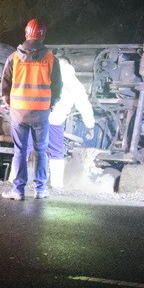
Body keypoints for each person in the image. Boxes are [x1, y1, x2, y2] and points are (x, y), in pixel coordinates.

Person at [0, 18, 62, 200]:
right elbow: (57, 87)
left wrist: (10, 104)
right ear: (43, 36)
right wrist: (51, 104)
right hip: (41, 112)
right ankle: (40, 189)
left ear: (26, 34)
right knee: (41, 150)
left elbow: (5, 85)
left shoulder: (14, 57)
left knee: (20, 150)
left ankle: (18, 191)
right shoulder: (51, 59)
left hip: (19, 112)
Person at [46, 54, 96, 191]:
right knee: (56, 151)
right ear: (70, 66)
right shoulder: (75, 83)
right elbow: (84, 105)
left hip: (36, 116)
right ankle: (56, 185)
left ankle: (14, 179)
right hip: (55, 120)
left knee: (26, 147)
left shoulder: (45, 72)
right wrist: (90, 126)